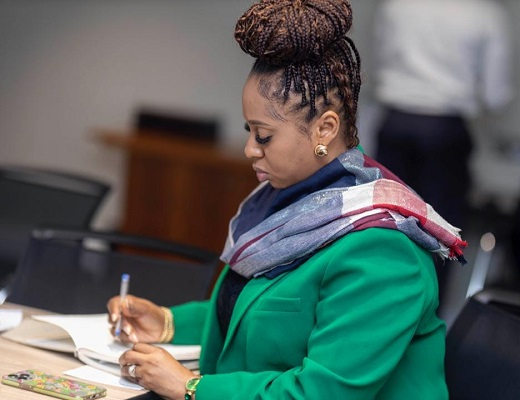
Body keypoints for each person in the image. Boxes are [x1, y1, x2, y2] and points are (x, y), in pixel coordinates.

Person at [107, 1, 466, 399]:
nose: (249, 149)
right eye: (249, 131)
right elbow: (257, 314)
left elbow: (321, 393)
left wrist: (192, 387)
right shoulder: (286, 203)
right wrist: (168, 323)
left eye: (263, 135)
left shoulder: (382, 250)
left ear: (324, 129)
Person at [373, 0, 514, 230]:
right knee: (442, 227)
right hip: (444, 128)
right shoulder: (485, 14)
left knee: (385, 219)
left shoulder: (396, 6)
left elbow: (380, 60)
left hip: (395, 123)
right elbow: (495, 95)